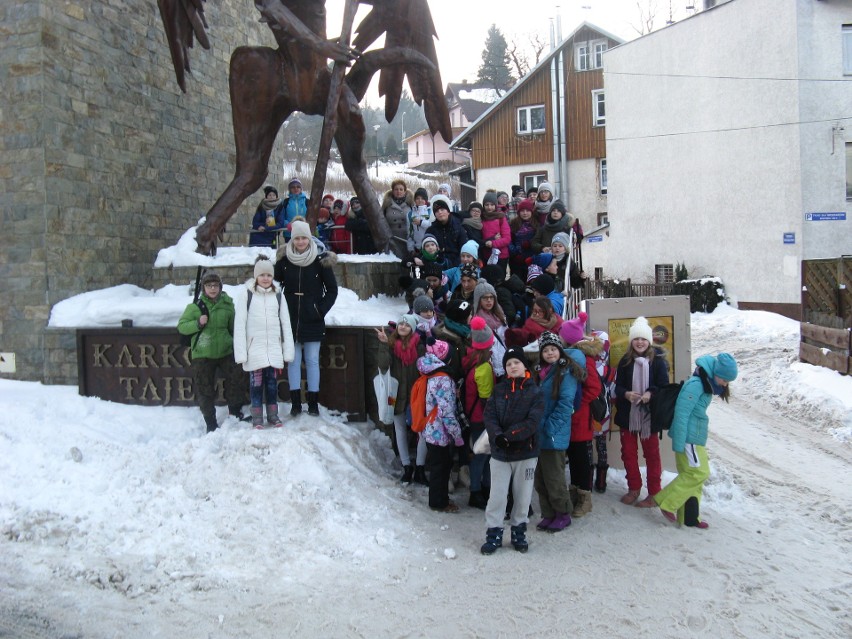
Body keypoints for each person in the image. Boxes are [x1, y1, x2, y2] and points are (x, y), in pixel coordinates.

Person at [654, 353, 738, 528]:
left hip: (695, 437)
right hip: (688, 438)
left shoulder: (706, 384)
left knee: (693, 478)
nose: (725, 384)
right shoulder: (696, 385)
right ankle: (666, 501)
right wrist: (679, 441)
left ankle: (689, 518)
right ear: (717, 373)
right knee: (698, 473)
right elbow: (682, 414)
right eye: (725, 380)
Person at [480, 347, 544, 555]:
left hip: (526, 453)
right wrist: (498, 436)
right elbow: (489, 416)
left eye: (516, 362)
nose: (513, 366)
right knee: (497, 495)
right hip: (500, 453)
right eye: (508, 364)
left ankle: (519, 531)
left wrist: (510, 435)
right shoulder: (499, 390)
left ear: (524, 365)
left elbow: (532, 422)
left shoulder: (535, 391)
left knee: (523, 496)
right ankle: (494, 532)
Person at [274, 220, 339, 417]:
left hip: (313, 319)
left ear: (309, 238)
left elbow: (332, 290)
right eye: (297, 238)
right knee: (293, 361)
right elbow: (274, 287)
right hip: (291, 318)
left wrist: (319, 310)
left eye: (304, 238)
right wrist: (279, 308)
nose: (301, 242)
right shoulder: (284, 262)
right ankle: (295, 403)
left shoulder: (320, 262)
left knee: (311, 361)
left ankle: (313, 403)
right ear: (292, 239)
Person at [177, 272, 247, 433]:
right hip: (203, 354)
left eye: (216, 285)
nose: (213, 288)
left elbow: (233, 328)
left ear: (220, 287)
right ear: (204, 288)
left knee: (236, 379)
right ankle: (210, 421)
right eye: (209, 286)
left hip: (225, 351)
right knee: (205, 388)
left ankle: (235, 412)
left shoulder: (228, 305)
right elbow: (182, 326)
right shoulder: (195, 307)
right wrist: (197, 323)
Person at [613, 316, 671, 507]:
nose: (640, 342)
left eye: (643, 339)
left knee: (652, 455)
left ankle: (654, 493)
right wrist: (626, 394)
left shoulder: (658, 362)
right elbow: (618, 386)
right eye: (636, 339)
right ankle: (634, 488)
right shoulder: (624, 361)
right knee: (628, 453)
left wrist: (650, 393)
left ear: (649, 341)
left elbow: (663, 386)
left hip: (649, 416)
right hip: (627, 416)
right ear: (631, 341)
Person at [233, 257, 295, 428]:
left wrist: (287, 351)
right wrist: (241, 353)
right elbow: (239, 325)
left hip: (273, 349)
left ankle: (273, 415)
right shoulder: (247, 295)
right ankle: (257, 416)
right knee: (256, 384)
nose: (266, 278)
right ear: (256, 276)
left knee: (272, 384)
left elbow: (286, 324)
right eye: (262, 275)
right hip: (255, 349)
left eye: (269, 275)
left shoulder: (278, 296)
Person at [534, 331, 586, 532]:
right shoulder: (541, 372)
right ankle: (548, 513)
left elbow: (566, 404)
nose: (549, 353)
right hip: (539, 433)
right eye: (545, 350)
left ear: (560, 351)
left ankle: (563, 513)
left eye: (553, 349)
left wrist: (550, 428)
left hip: (553, 434)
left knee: (554, 477)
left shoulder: (566, 373)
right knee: (540, 477)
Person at [559, 312, 603, 518]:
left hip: (579, 417)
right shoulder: (566, 354)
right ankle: (575, 494)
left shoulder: (584, 358)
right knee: (574, 457)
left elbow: (593, 388)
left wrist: (574, 405)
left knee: (580, 459)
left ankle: (585, 499)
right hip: (568, 415)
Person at [376, 314, 427, 485]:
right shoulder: (390, 345)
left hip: (416, 394)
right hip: (395, 394)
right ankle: (407, 466)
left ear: (412, 328)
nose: (403, 326)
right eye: (401, 324)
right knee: (399, 430)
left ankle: (420, 466)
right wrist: (383, 344)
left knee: (422, 430)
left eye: (407, 324)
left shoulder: (419, 345)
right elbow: (383, 366)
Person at [417, 344, 465, 512]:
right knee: (440, 468)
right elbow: (446, 411)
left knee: (439, 466)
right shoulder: (443, 378)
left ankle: (440, 498)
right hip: (440, 432)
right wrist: (457, 435)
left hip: (431, 429)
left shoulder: (431, 373)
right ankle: (439, 503)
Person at [463, 317, 496, 509]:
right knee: (482, 456)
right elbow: (486, 398)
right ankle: (476, 491)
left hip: (474, 416)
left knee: (482, 455)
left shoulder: (471, 360)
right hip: (481, 418)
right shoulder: (483, 368)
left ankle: (482, 488)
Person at [428, 196, 468, 267]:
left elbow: (464, 249)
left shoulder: (458, 228)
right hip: (438, 264)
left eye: (442, 209)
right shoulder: (431, 230)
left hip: (456, 264)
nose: (440, 212)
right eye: (437, 211)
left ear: (448, 211)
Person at [509, 198, 539, 281]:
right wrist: (514, 253)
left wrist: (530, 243)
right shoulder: (513, 223)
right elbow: (509, 240)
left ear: (531, 212)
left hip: (532, 260)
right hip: (516, 260)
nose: (525, 213)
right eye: (522, 211)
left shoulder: (536, 224)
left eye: (527, 210)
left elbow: (538, 239)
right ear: (519, 212)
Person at [382, 179, 413, 256]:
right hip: (392, 238)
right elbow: (382, 220)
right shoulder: (386, 204)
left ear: (405, 191)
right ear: (392, 191)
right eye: (396, 189)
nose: (398, 191)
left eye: (401, 189)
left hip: (407, 238)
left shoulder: (411, 204)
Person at [481, 192, 511, 268]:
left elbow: (507, 239)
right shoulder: (481, 218)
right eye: (487, 205)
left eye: (492, 205)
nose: (489, 207)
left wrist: (493, 243)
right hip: (486, 255)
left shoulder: (501, 217)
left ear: (495, 205)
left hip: (501, 256)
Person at [407, 187, 434, 254]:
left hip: (431, 247)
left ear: (426, 200)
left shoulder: (431, 212)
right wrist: (411, 249)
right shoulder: (410, 214)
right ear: (415, 200)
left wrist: (421, 222)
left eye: (422, 198)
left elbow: (433, 226)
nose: (420, 200)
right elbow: (410, 234)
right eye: (417, 198)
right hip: (417, 248)